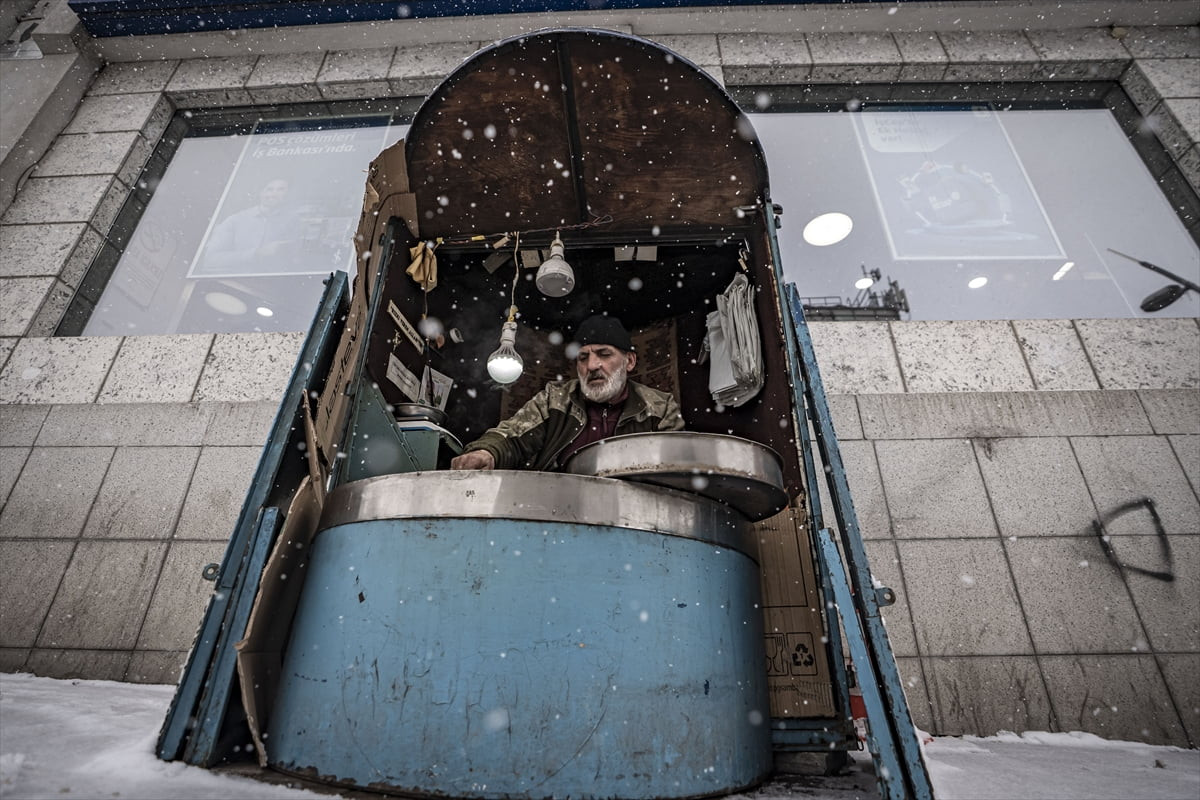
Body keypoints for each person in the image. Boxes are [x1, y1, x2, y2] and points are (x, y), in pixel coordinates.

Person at [450, 315, 684, 471]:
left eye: (604, 354)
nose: (592, 365)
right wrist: (487, 452)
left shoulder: (660, 407)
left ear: (629, 361)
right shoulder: (556, 398)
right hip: (559, 511)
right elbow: (512, 436)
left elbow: (674, 469)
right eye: (583, 357)